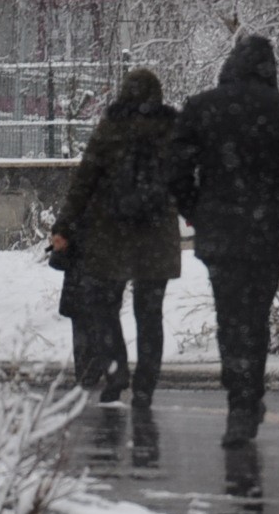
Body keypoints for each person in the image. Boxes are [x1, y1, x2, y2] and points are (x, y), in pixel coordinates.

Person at [167, 34, 279, 445]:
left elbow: (176, 171)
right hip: (266, 233)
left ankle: (239, 400)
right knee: (255, 318)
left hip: (219, 232)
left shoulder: (202, 108)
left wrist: (196, 209)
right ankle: (249, 396)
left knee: (229, 317)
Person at [50, 68, 183, 409]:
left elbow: (84, 181)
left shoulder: (109, 130)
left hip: (112, 238)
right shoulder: (173, 130)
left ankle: (117, 370)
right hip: (156, 240)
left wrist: (64, 227)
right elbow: (187, 181)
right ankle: (144, 387)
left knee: (104, 308)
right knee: (149, 315)